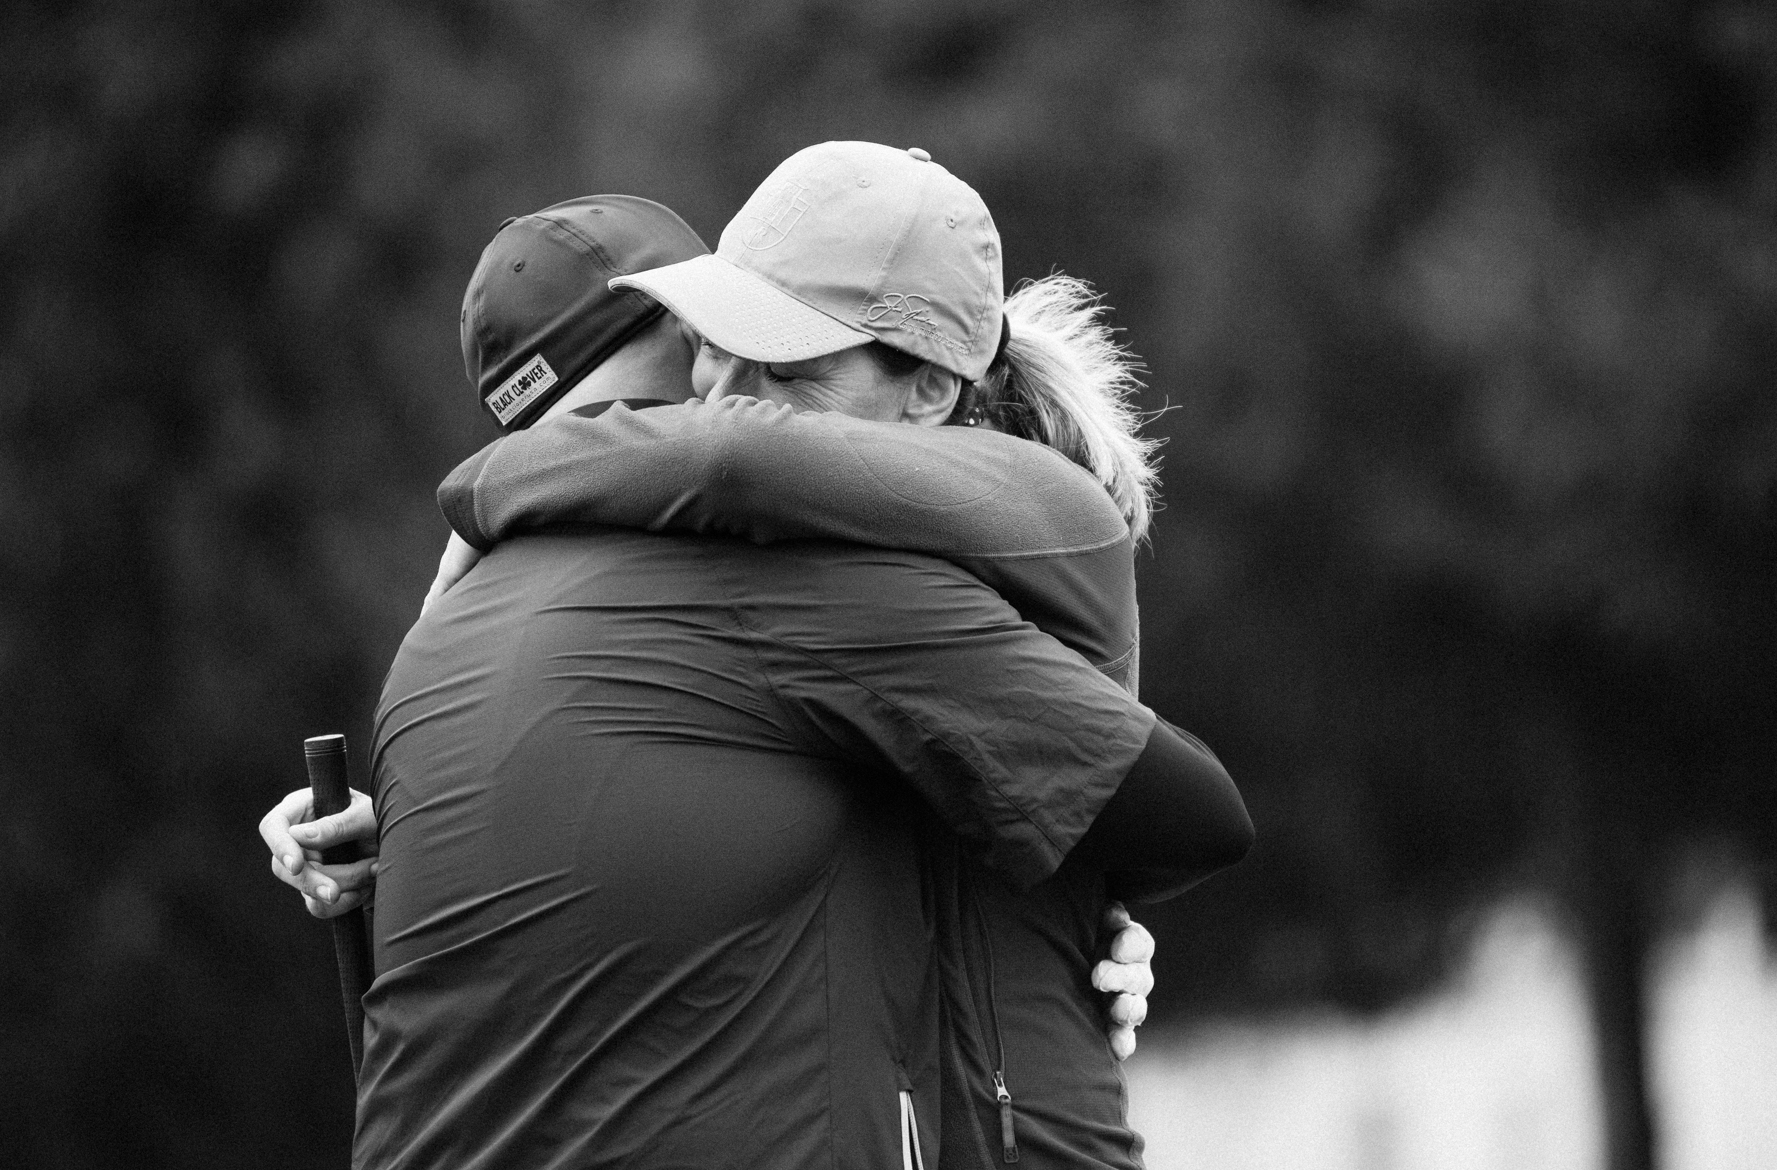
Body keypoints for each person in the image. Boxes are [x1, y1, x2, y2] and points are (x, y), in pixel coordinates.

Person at [261, 165, 1251, 1169]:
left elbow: (730, 464)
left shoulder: (828, 556)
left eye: (635, 412)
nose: (711, 405)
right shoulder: (730, 590)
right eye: (712, 351)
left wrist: (496, 486)